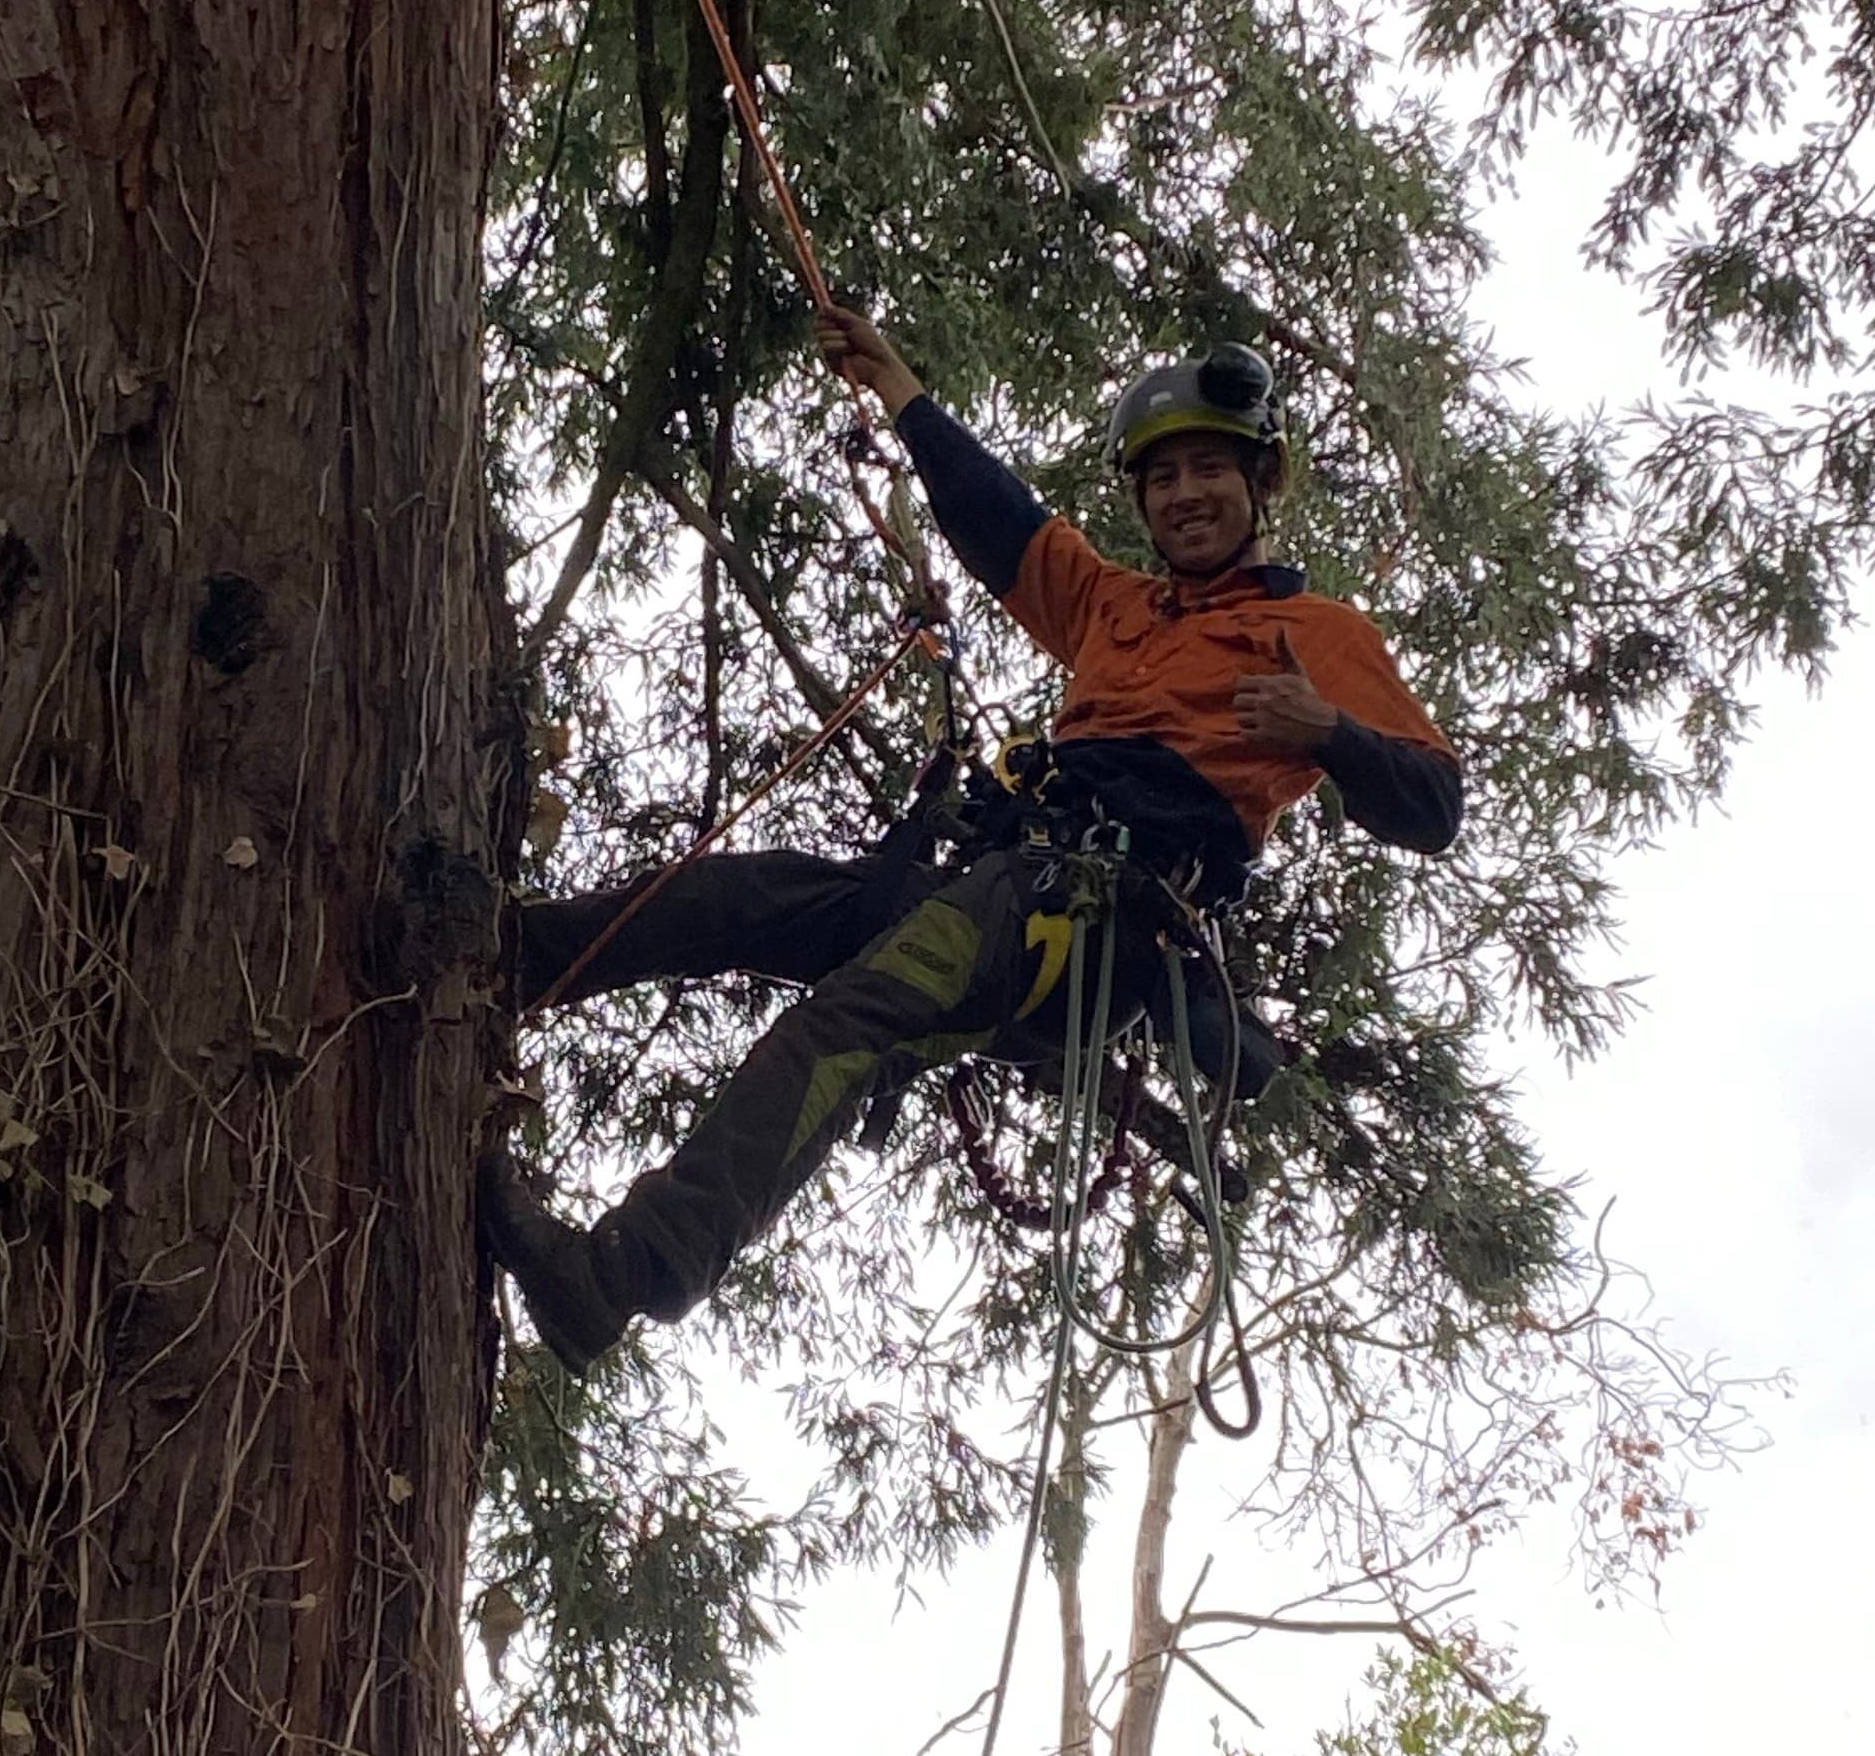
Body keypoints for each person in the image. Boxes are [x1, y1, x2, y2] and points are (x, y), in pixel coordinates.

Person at [483, 298, 1462, 1368]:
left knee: (845, 1029)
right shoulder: (1114, 607)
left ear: (1260, 481)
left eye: (1211, 471)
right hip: (999, 874)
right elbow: (1000, 518)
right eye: (1164, 476)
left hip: (1086, 921)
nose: (1186, 495)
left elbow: (1433, 805)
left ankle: (619, 1279)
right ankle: (500, 962)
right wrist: (899, 389)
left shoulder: (1316, 635)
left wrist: (1329, 730)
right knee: (736, 898)